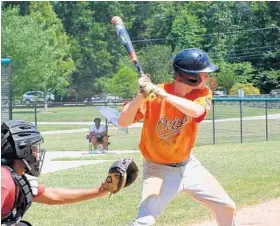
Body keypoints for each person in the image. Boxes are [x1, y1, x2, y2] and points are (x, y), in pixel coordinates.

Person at [118, 48, 236, 226]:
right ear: (191, 77)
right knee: (144, 220)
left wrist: (162, 94)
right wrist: (140, 96)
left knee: (227, 207)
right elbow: (123, 121)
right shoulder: (152, 94)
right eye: (204, 74)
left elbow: (196, 111)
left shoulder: (202, 93)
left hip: (189, 166)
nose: (207, 77)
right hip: (157, 170)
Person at [1, 120, 109, 226]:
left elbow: (53, 196)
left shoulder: (14, 177)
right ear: (23, 149)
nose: (38, 152)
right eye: (34, 147)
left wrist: (99, 192)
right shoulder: (4, 180)